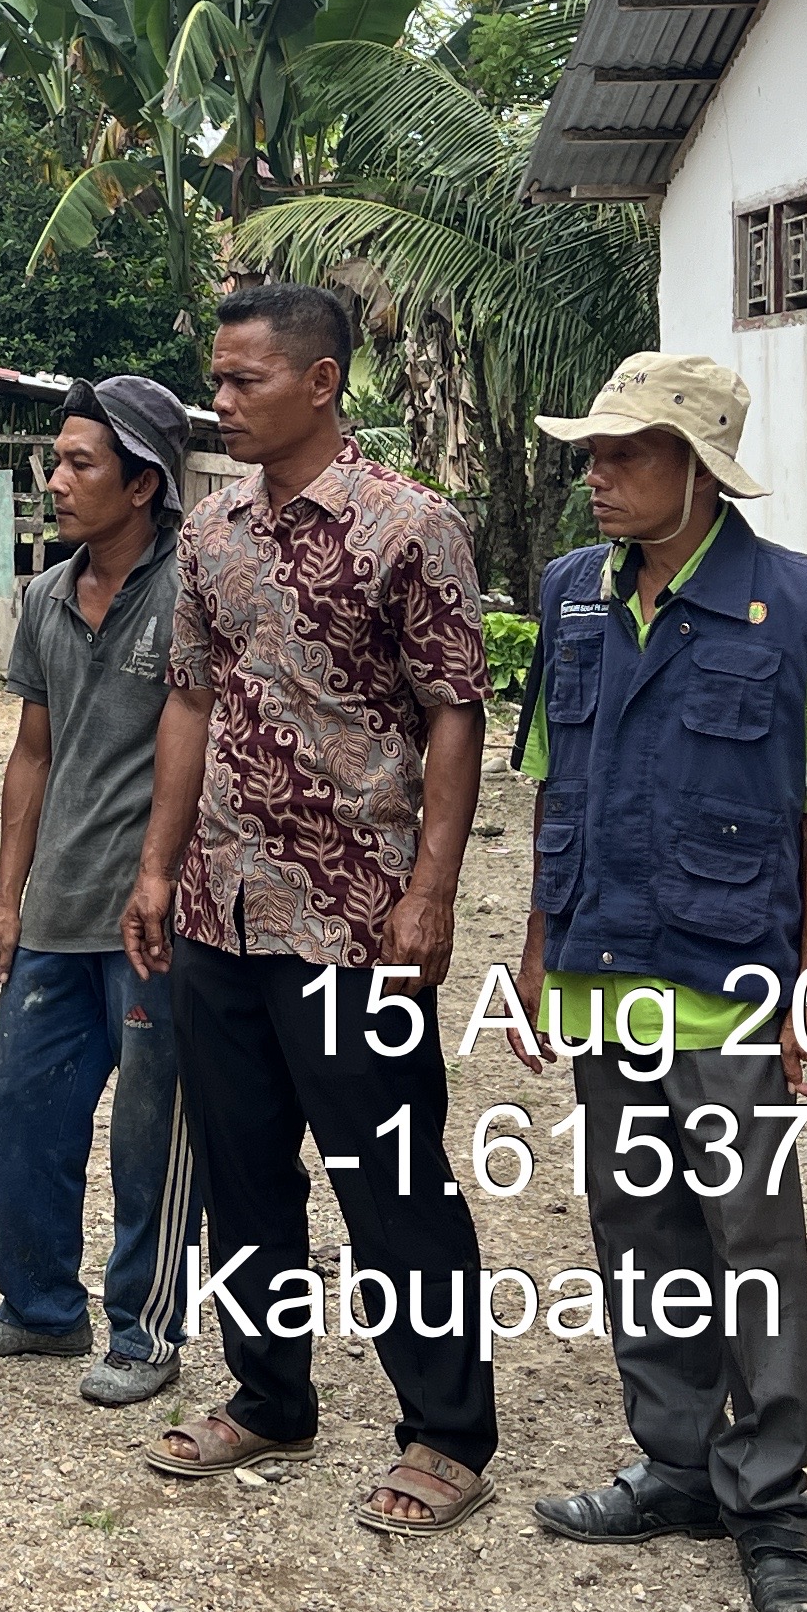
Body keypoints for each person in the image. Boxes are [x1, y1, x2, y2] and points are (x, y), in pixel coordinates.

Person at [511, 353, 807, 1612]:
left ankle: (775, 1504)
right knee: (639, 1232)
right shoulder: (573, 596)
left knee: (751, 1245)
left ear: (697, 469)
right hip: (604, 975)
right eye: (592, 452)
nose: (597, 476)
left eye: (625, 454)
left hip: (733, 985)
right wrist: (533, 952)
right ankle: (677, 1466)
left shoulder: (796, 607)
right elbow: (552, 786)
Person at [119, 282, 497, 1539]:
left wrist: (432, 890)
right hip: (224, 907)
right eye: (216, 381)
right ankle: (271, 1394)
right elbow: (189, 701)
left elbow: (455, 710)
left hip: (353, 915)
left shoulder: (410, 529)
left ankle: (447, 1428)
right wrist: (159, 868)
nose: (219, 402)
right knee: (242, 1177)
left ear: (322, 382)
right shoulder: (210, 533)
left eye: (244, 382)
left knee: (389, 1176)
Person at [0, 375, 200, 1409]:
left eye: (78, 463)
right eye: (55, 461)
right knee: (16, 1113)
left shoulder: (194, 592)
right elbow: (31, 756)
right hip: (57, 913)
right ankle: (44, 1308)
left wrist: (167, 879)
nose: (55, 480)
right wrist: (6, 899)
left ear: (144, 483)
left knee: (151, 1133)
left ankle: (147, 1330)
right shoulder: (49, 598)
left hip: (156, 926)